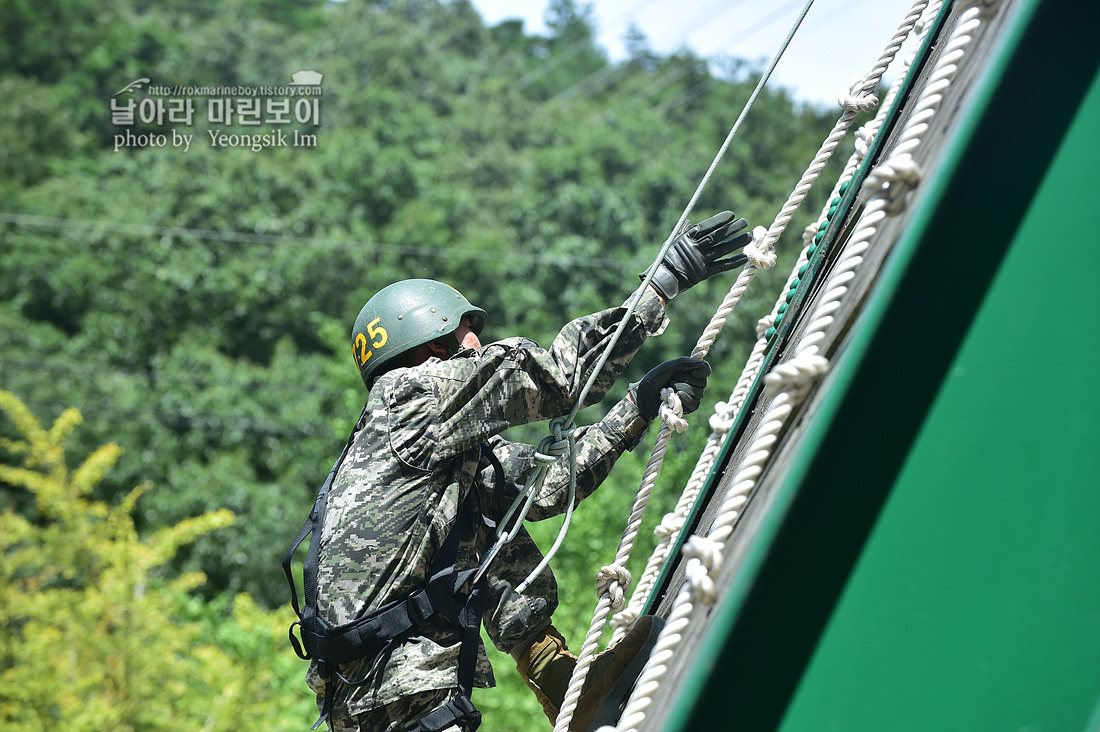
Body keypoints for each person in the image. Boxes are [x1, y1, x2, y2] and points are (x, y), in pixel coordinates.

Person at [301, 212, 751, 732]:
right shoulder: (413, 398)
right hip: (393, 695)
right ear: (432, 344)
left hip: (378, 698)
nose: (479, 346)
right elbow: (556, 377)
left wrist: (638, 409)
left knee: (493, 538)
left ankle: (565, 688)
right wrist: (663, 285)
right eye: (469, 332)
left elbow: (540, 488)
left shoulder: (428, 450)